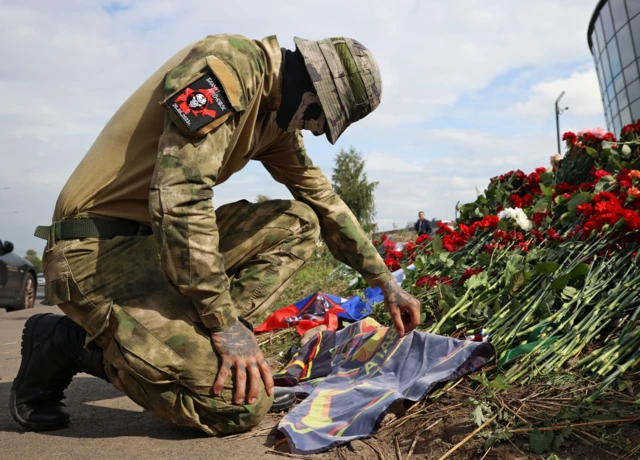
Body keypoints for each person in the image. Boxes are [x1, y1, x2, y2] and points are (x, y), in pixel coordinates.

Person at [11, 34, 422, 436]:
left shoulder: (274, 122)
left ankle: (212, 348)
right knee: (234, 405)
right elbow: (182, 199)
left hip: (152, 248)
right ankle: (66, 341)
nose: (314, 132)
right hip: (93, 254)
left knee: (298, 222)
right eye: (320, 123)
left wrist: (385, 282)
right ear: (312, 96)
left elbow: (323, 201)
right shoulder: (228, 68)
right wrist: (225, 324)